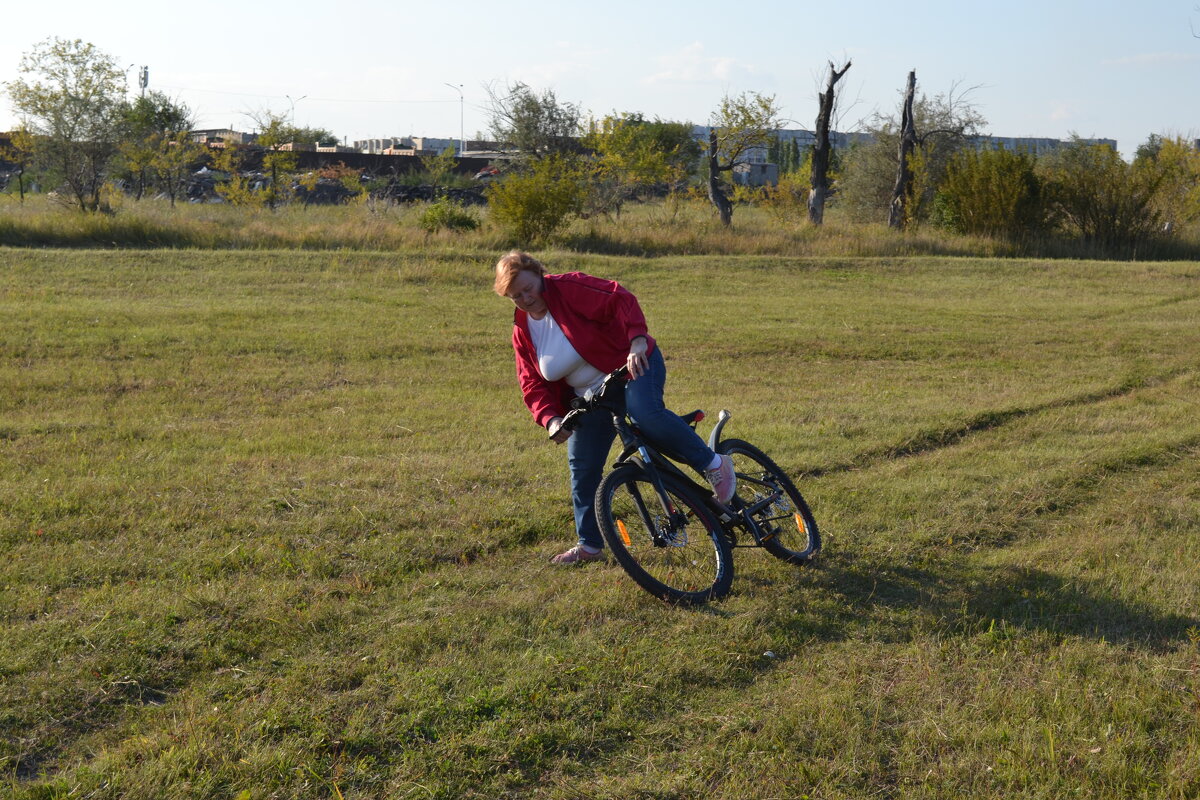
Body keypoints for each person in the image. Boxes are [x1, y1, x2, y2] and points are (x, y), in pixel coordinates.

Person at [494, 250, 736, 565]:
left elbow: (619, 298)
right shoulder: (523, 330)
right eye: (516, 296)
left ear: (539, 274)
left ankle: (715, 464)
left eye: (529, 288)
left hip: (631, 365)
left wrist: (636, 341)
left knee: (646, 415)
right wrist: (551, 419)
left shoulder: (569, 288)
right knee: (582, 467)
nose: (526, 298)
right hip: (591, 397)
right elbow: (532, 383)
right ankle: (590, 546)